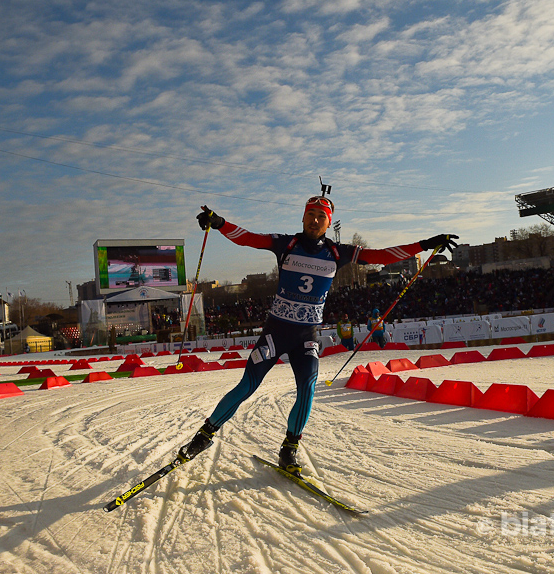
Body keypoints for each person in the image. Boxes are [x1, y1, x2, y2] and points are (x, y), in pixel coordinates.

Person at [178, 196, 458, 473]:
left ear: (329, 222)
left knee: (308, 390)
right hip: (276, 332)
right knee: (247, 386)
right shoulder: (286, 244)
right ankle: (203, 436)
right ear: (302, 217)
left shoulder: (339, 252)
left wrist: (425, 244)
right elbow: (248, 238)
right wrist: (219, 223)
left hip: (306, 336)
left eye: (320, 216)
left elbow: (382, 256)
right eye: (310, 214)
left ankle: (289, 449)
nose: (314, 220)